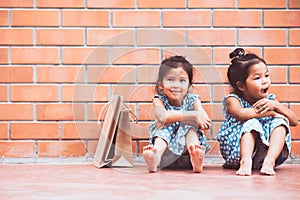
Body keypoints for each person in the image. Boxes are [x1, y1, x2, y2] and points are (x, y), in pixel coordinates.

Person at [217, 48, 298, 176]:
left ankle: (269, 161)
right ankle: (246, 161)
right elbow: (241, 114)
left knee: (280, 122)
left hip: (262, 152)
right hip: (235, 150)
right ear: (241, 86)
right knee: (252, 122)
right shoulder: (233, 100)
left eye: (266, 75)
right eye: (257, 78)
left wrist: (277, 106)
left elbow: (293, 121)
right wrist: (270, 112)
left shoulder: (270, 101)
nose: (265, 80)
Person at [142, 55, 211, 173]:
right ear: (161, 85)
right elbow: (163, 116)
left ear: (189, 85)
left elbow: (205, 121)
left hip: (186, 154)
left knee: (190, 128)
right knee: (165, 128)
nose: (176, 85)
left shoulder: (193, 100)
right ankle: (155, 156)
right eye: (170, 80)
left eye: (182, 80)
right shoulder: (159, 100)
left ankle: (196, 155)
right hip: (166, 156)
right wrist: (193, 116)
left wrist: (197, 116)